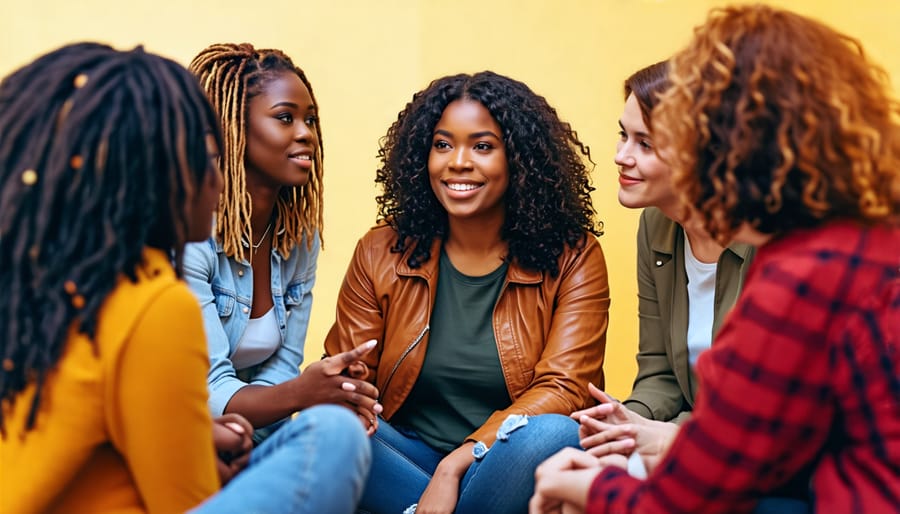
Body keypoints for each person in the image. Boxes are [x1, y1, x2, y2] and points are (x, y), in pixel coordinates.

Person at [531, 4, 900, 513]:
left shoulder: (802, 275)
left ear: (729, 144)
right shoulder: (872, 238)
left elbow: (689, 496)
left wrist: (587, 488)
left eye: (682, 134)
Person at [0, 42, 371, 514]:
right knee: (334, 436)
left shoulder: (57, 277)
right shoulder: (156, 301)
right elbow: (187, 500)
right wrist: (209, 447)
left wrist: (202, 435)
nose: (219, 180)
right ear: (152, 174)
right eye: (207, 158)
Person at [324, 71, 610, 514]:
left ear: (518, 158)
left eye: (482, 146)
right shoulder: (382, 250)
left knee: (555, 434)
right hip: (403, 456)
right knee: (328, 424)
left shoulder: (573, 256)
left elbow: (566, 387)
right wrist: (346, 396)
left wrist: (457, 464)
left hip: (506, 461)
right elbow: (350, 376)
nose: (457, 162)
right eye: (442, 145)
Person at [185, 43, 381, 443]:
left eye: (310, 120)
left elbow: (283, 365)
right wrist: (303, 393)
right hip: (181, 434)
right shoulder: (192, 236)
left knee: (343, 432)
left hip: (251, 438)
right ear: (233, 128)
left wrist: (319, 391)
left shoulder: (297, 237)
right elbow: (209, 389)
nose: (306, 133)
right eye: (285, 118)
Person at [571, 61, 755, 471]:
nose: (621, 156)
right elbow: (661, 374)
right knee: (571, 455)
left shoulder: (772, 242)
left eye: (645, 144)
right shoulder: (655, 226)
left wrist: (669, 438)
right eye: (624, 136)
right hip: (698, 439)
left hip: (761, 457)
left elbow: (774, 410)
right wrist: (627, 419)